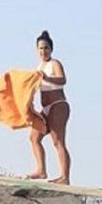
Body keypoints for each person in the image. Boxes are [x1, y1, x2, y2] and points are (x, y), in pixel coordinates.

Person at [27, 30, 71, 184]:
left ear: (51, 49)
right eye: (40, 48)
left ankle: (65, 177)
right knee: (34, 137)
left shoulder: (54, 63)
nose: (43, 51)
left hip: (58, 105)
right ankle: (41, 170)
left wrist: (46, 77)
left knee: (58, 141)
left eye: (46, 48)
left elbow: (62, 80)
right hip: (45, 108)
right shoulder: (39, 66)